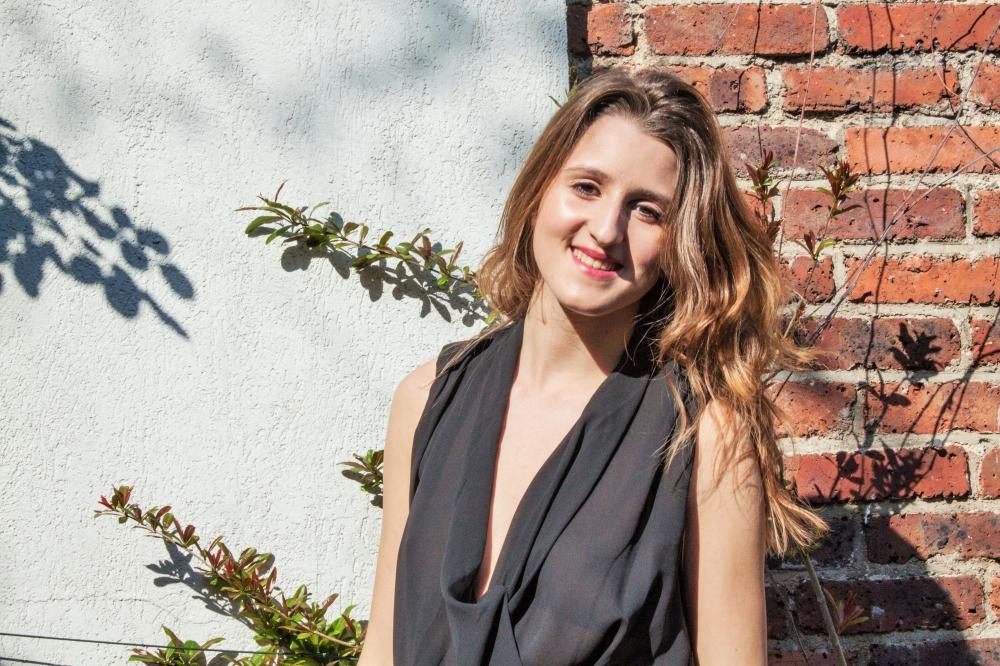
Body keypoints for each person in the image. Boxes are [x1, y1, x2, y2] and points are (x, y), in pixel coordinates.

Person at [357, 67, 827, 665]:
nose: (606, 230)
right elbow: (383, 648)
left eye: (647, 211)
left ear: (679, 242)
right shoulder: (426, 398)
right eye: (586, 187)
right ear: (538, 190)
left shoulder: (703, 434)